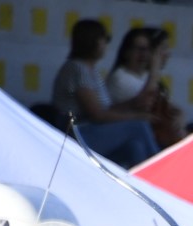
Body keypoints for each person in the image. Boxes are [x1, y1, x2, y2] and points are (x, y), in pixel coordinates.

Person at [52, 19, 160, 168]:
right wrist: (136, 116)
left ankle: (146, 185)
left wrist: (133, 103)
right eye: (105, 39)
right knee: (138, 126)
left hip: (91, 131)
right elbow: (97, 115)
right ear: (92, 41)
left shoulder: (92, 70)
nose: (106, 45)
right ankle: (164, 173)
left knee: (135, 147)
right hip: (76, 135)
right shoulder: (77, 68)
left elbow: (106, 108)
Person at [106, 28, 186, 150]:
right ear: (126, 52)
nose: (144, 55)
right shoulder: (119, 77)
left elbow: (166, 106)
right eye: (139, 49)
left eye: (148, 50)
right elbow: (146, 103)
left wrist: (180, 114)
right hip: (127, 138)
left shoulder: (145, 77)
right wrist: (155, 68)